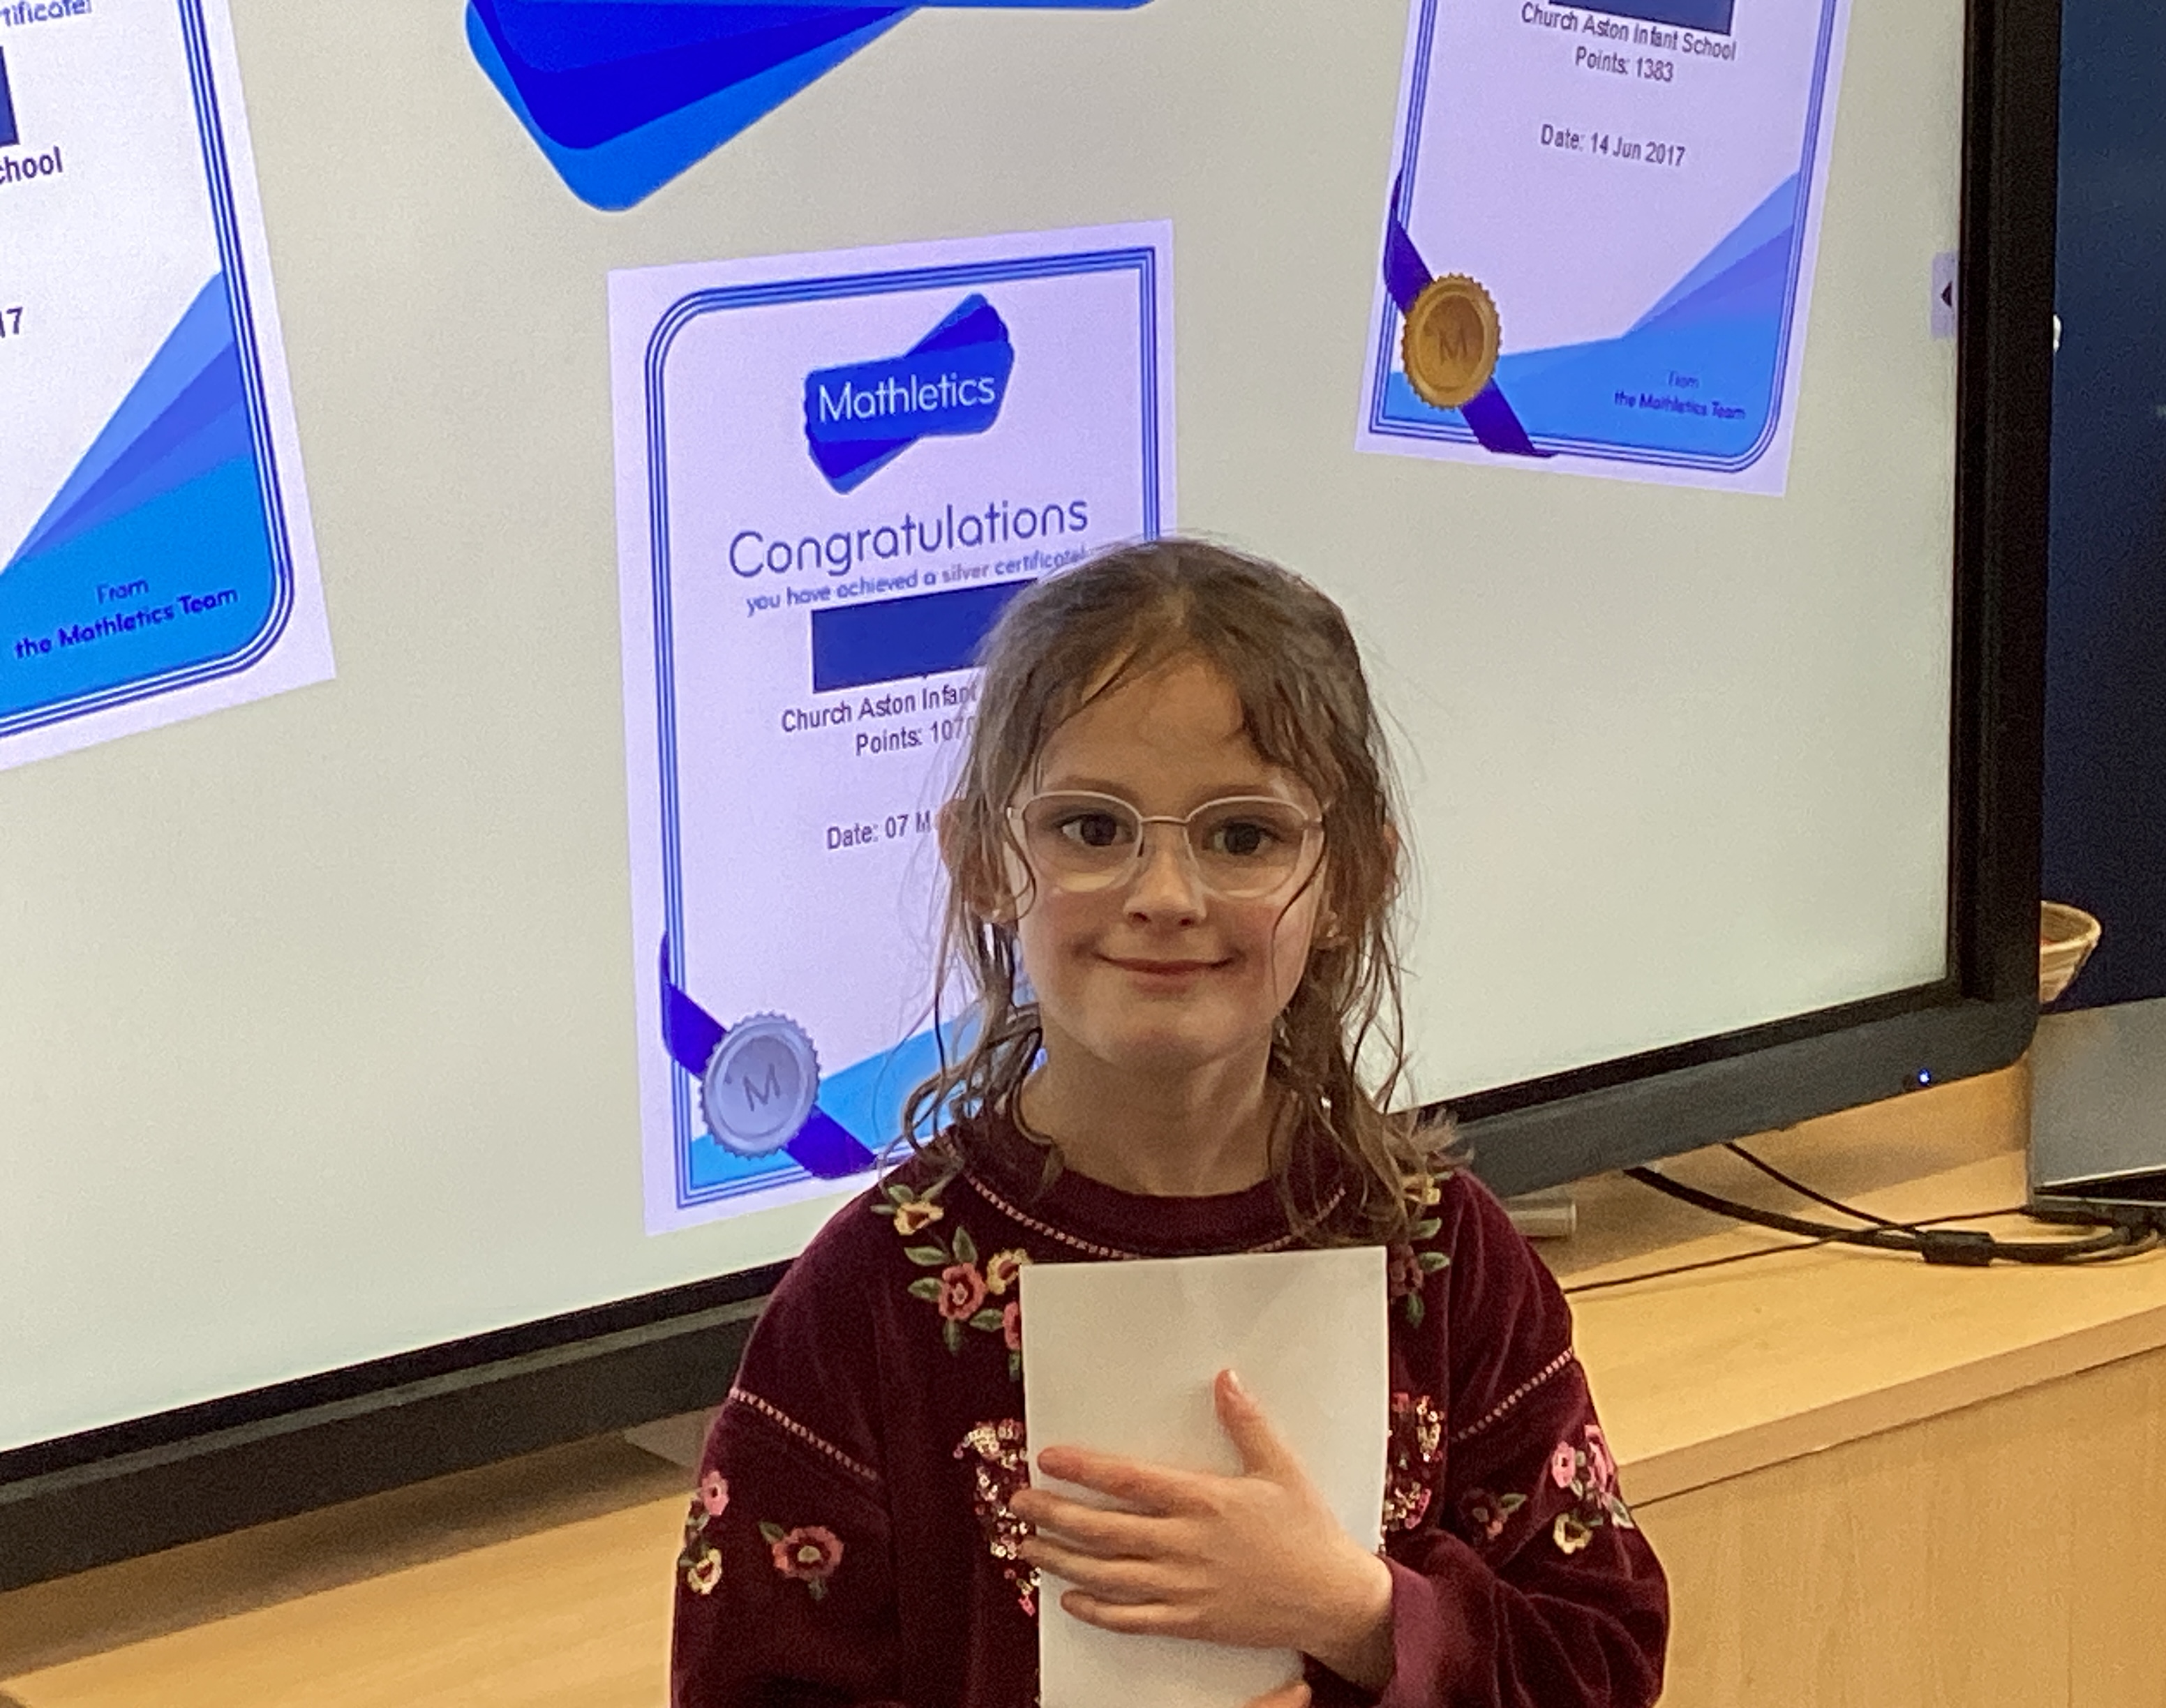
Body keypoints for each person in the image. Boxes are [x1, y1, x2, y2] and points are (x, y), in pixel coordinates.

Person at [671, 539, 1669, 1707]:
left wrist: (1354, 1615)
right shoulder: (870, 1302)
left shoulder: (1444, 1262)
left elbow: (1602, 1658)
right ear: (985, 859)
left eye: (1243, 837)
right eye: (1092, 829)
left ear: (1350, 881)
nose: (1164, 896)